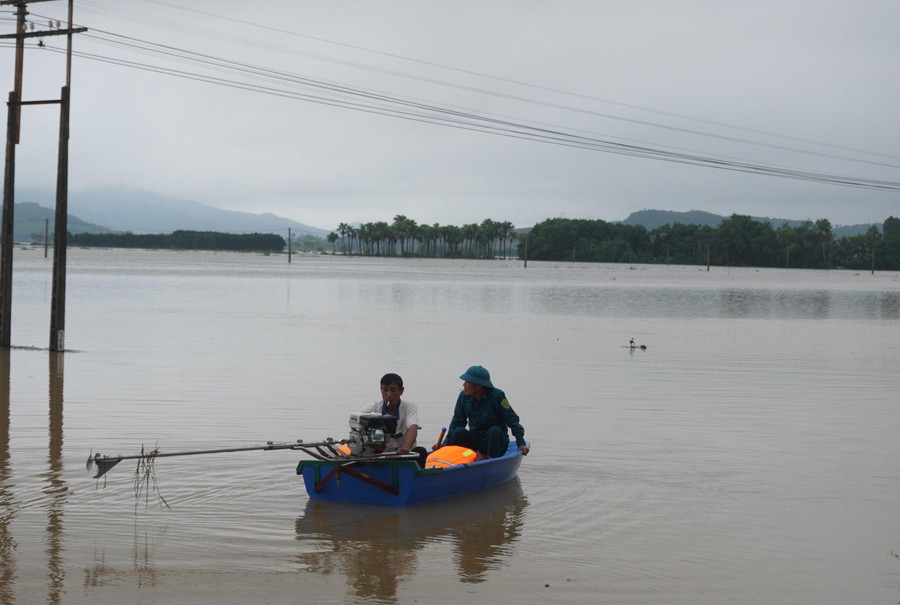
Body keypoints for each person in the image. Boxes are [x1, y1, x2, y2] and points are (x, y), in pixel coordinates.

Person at [434, 365, 529, 459]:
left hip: (496, 442)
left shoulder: (497, 396)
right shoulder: (463, 397)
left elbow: (512, 420)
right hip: (477, 440)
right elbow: (457, 421)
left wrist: (521, 443)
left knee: (494, 431)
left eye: (467, 382)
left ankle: (491, 462)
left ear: (478, 385)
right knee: (459, 431)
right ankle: (455, 461)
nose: (464, 385)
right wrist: (445, 444)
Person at [359, 373, 428, 467]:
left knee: (421, 451)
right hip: (381, 455)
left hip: (403, 455)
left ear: (401, 391)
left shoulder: (409, 407)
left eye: (393, 390)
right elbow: (359, 427)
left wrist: (405, 448)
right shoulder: (371, 409)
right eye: (385, 390)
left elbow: (413, 428)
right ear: (381, 390)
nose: (388, 395)